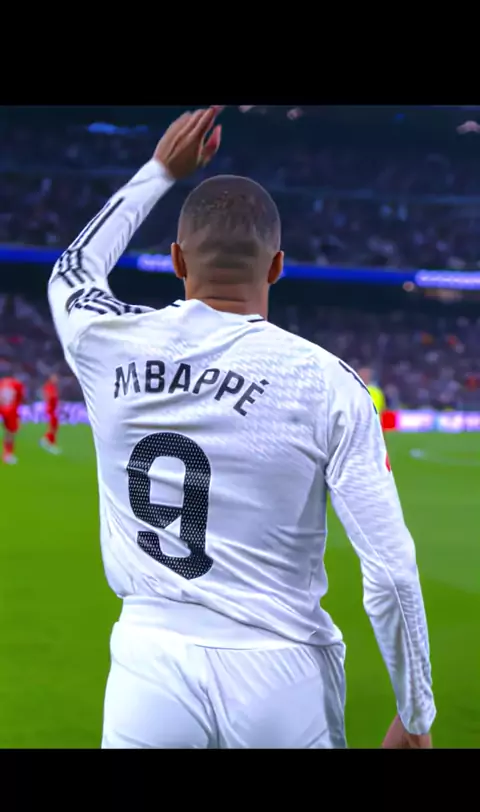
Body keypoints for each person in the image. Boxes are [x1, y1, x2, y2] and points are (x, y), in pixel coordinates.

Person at [48, 107, 435, 749]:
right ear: (276, 266)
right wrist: (416, 716)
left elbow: (73, 269)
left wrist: (159, 170)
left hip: (150, 666)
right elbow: (391, 570)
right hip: (283, 675)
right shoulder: (327, 382)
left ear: (177, 259)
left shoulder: (107, 341)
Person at [0, 374, 25, 464]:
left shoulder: (2, 382)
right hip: (10, 409)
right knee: (10, 433)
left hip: (1, 407)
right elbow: (20, 398)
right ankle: (7, 454)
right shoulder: (17, 384)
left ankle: (6, 454)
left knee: (8, 432)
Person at [40, 373, 61, 454]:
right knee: (52, 427)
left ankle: (45, 440)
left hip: (54, 409)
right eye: (55, 378)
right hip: (50, 409)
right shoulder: (48, 386)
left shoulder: (53, 387)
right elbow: (48, 397)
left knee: (54, 427)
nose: (56, 379)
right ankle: (49, 443)